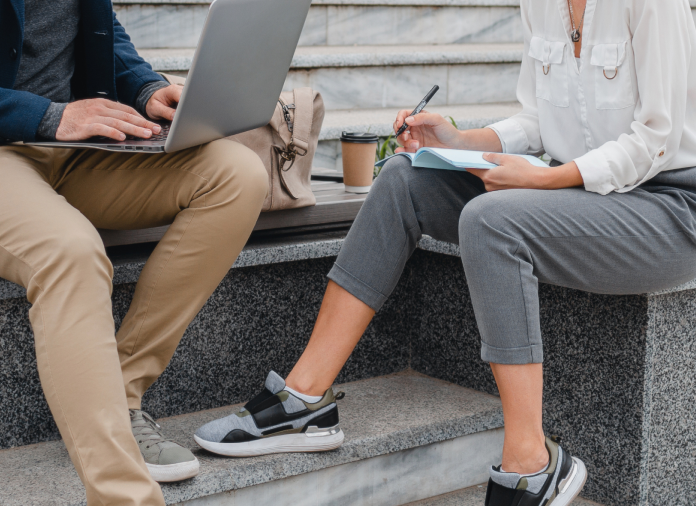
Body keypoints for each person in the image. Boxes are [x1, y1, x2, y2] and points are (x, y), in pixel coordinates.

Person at [196, 0, 696, 504]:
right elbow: (537, 120)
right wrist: (459, 139)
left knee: (493, 221)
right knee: (401, 179)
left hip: (667, 206)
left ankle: (532, 464)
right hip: (579, 194)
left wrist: (545, 179)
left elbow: (655, 138)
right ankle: (303, 400)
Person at [0, 0, 268, 504]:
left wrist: (147, 88)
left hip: (74, 148)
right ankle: (122, 494)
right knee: (72, 251)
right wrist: (47, 114)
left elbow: (100, 28)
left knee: (236, 174)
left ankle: (113, 399)